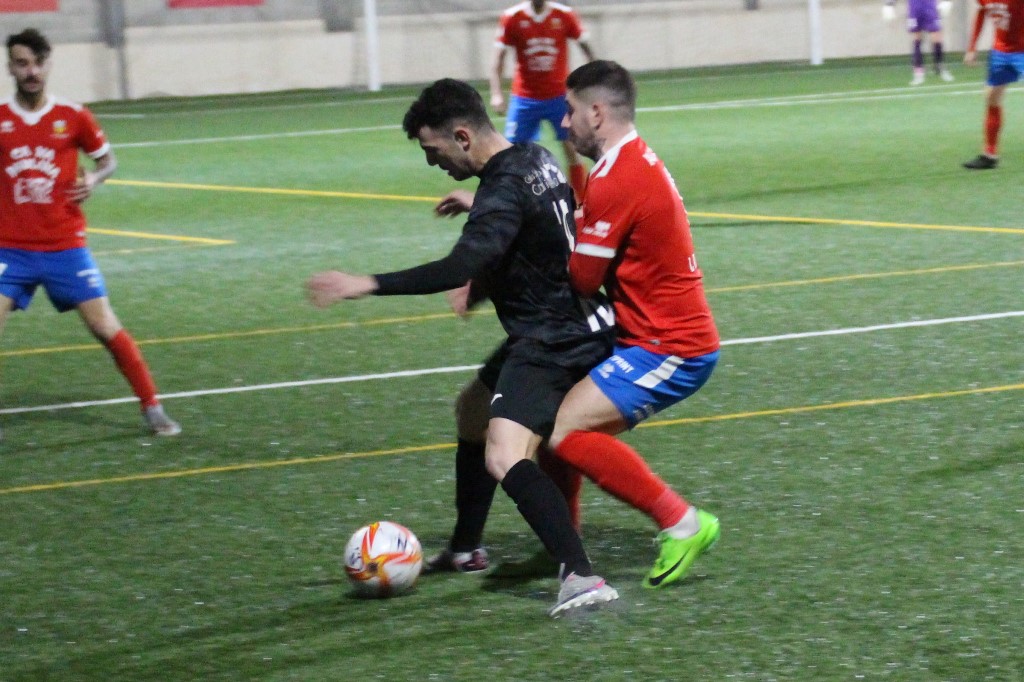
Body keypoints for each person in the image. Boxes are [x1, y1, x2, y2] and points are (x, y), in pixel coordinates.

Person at [306, 78, 618, 616]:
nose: (434, 163)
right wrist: (484, 216)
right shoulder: (535, 158)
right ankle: (465, 549)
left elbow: (459, 265)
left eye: (434, 151)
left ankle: (581, 576)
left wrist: (366, 283)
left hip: (555, 340)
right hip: (580, 319)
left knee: (504, 454)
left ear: (462, 137)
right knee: (472, 411)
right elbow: (549, 221)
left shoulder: (503, 187)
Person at [0, 28, 180, 438]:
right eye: (22, 63)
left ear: (48, 65)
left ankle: (152, 406)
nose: (31, 72)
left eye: (37, 63)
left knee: (105, 327)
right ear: (10, 67)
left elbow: (108, 160)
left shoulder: (73, 116)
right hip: (9, 248)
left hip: (65, 246)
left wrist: (95, 180)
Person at [490, 0, 595, 200]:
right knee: (512, 154)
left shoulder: (564, 15)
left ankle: (581, 201)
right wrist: (496, 93)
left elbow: (587, 49)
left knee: (572, 149)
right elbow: (498, 59)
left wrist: (593, 81)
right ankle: (515, 200)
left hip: (560, 97)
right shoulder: (512, 17)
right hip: (524, 99)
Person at [962, 0, 1024, 169]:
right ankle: (990, 155)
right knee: (991, 97)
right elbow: (981, 12)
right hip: (1000, 53)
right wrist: (972, 48)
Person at [884, 0, 955, 85]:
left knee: (936, 36)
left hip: (930, 5)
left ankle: (940, 67)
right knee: (916, 39)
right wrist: (889, 4)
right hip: (915, 6)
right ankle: (918, 72)